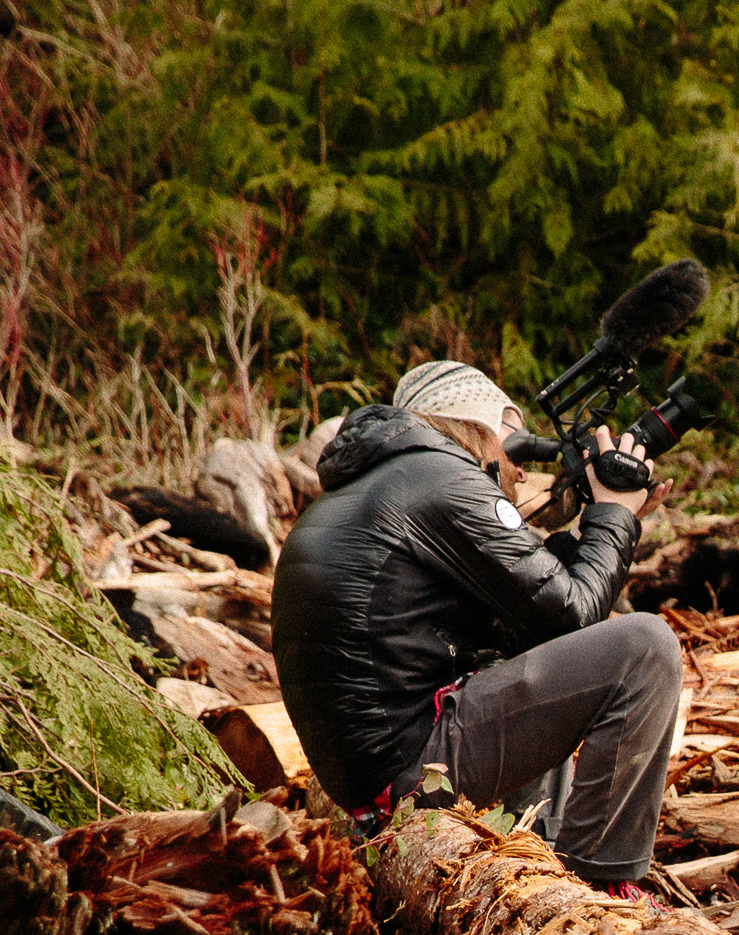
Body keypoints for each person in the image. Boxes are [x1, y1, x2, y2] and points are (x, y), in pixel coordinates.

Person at [271, 356, 683, 887]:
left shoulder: (391, 481)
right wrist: (614, 518)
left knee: (535, 655)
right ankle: (603, 885)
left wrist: (598, 531)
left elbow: (529, 613)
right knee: (646, 647)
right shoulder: (443, 478)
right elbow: (574, 615)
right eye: (517, 442)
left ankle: (544, 865)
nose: (519, 471)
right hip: (414, 779)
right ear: (481, 428)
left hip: (380, 784)